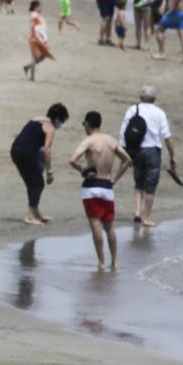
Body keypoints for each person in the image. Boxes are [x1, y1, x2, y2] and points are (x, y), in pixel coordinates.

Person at [67, 111, 128, 270]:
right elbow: (127, 160)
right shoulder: (111, 141)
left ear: (88, 124)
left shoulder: (89, 140)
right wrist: (115, 178)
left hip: (91, 186)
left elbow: (72, 159)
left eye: (84, 124)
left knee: (96, 225)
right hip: (107, 186)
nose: (84, 127)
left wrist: (83, 169)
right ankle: (114, 262)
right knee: (109, 227)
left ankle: (101, 262)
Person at [118, 85, 176, 229]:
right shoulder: (160, 112)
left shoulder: (132, 109)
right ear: (154, 99)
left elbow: (123, 132)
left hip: (136, 150)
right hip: (153, 151)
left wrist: (124, 153)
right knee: (150, 185)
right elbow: (167, 137)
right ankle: (147, 218)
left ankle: (137, 212)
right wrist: (172, 155)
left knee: (138, 181)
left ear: (140, 97)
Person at [10, 104, 65, 227]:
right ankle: (29, 216)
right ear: (57, 119)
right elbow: (46, 150)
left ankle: (36, 213)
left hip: (15, 150)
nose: (61, 124)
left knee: (32, 182)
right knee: (38, 183)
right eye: (62, 120)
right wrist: (49, 171)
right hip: (26, 153)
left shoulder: (36, 119)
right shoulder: (50, 128)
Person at [21, 0, 53, 80]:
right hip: (34, 38)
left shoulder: (38, 15)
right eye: (40, 7)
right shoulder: (34, 14)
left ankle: (27, 67)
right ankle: (32, 77)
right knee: (34, 57)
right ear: (35, 7)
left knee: (44, 55)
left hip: (40, 39)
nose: (41, 8)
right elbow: (33, 20)